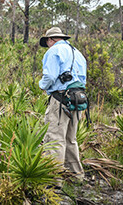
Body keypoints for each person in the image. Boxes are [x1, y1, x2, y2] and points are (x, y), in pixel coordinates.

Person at [38, 27, 86, 183]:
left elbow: (50, 76)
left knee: (55, 138)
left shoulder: (54, 51)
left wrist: (41, 85)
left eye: (48, 42)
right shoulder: (78, 53)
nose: (48, 45)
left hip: (60, 99)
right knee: (71, 138)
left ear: (51, 40)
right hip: (78, 100)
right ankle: (76, 176)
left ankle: (54, 180)